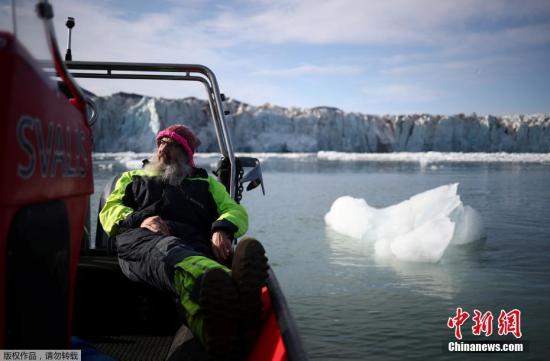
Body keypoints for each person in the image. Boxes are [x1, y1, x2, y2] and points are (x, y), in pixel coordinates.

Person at [99, 124, 268, 359]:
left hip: (193, 244)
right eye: (161, 142)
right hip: (141, 241)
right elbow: (110, 212)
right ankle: (232, 286)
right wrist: (141, 219)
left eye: (172, 144)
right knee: (170, 251)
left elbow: (235, 211)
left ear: (186, 153)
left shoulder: (205, 182)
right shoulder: (133, 178)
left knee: (189, 286)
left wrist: (223, 229)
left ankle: (214, 332)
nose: (163, 148)